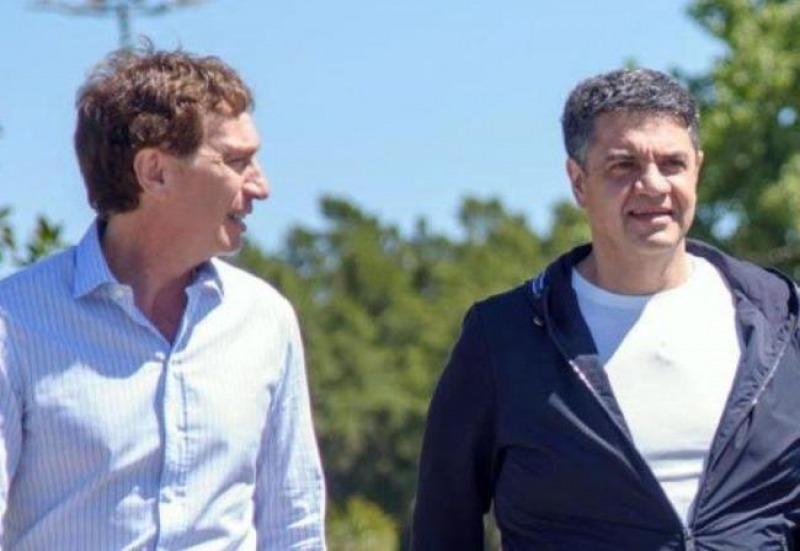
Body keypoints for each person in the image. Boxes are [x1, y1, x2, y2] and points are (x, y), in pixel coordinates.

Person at [412, 68, 800, 550]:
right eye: (624, 166)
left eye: (672, 164)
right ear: (579, 182)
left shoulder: (781, 318)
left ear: (697, 170)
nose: (653, 185)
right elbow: (442, 525)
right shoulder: (504, 339)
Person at [0, 47, 326, 549]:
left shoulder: (265, 320)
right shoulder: (14, 322)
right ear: (154, 171)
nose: (261, 186)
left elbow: (295, 527)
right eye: (236, 161)